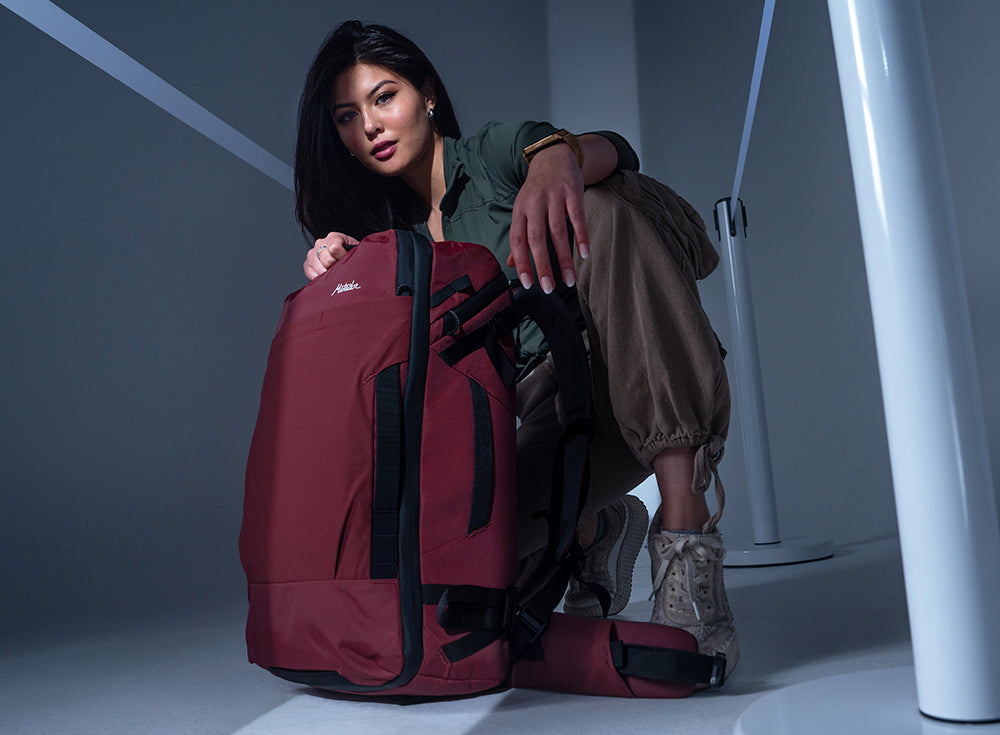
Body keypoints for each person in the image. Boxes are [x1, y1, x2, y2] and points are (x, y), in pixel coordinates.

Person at [296, 20, 737, 677]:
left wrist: (554, 162)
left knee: (603, 209)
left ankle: (685, 532)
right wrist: (345, 273)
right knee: (459, 574)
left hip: (634, 369)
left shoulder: (490, 154)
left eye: (384, 97)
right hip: (557, 422)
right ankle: (595, 530)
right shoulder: (397, 242)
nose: (370, 125)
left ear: (428, 96)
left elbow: (608, 152)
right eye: (347, 116)